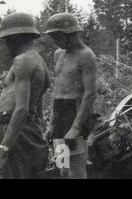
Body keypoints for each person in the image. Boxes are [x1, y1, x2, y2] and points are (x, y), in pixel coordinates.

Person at [44, 13, 97, 179]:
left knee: (76, 170)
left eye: (57, 36)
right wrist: (52, 123)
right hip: (60, 114)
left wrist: (75, 128)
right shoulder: (58, 54)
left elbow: (90, 93)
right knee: (63, 168)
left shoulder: (86, 55)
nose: (55, 41)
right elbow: (58, 89)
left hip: (75, 113)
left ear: (71, 33)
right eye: (53, 37)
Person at [0, 12, 49, 178]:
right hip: (25, 130)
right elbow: (37, 106)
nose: (6, 45)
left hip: (13, 131)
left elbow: (21, 109)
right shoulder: (39, 60)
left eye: (7, 39)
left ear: (17, 38)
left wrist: (4, 146)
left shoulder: (23, 60)